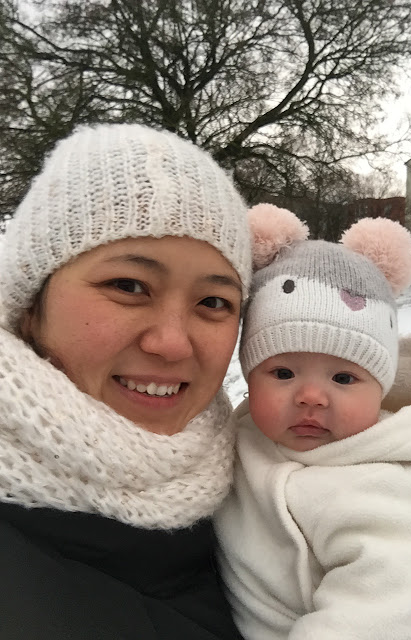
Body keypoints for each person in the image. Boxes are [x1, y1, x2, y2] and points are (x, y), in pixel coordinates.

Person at [0, 123, 253, 639]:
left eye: (213, 301)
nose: (172, 343)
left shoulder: (268, 487)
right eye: (128, 285)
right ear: (28, 303)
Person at [214, 204, 411, 640]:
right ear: (250, 374)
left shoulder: (385, 485)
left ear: (381, 388)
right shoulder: (243, 434)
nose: (311, 396)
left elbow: (397, 606)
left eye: (343, 378)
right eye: (283, 372)